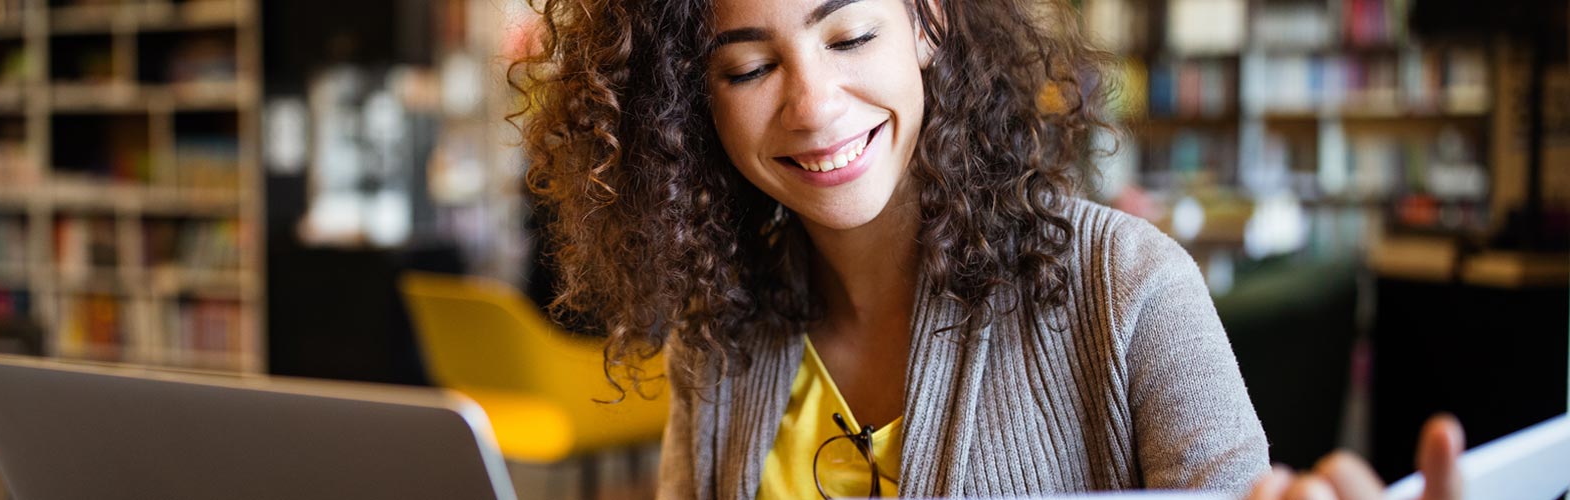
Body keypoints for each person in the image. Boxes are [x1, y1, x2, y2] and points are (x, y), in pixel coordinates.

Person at [510, 0, 1465, 498]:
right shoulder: (714, 342)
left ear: (926, 23)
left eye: (849, 35)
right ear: (694, 107)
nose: (813, 105)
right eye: (751, 67)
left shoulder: (1128, 289)